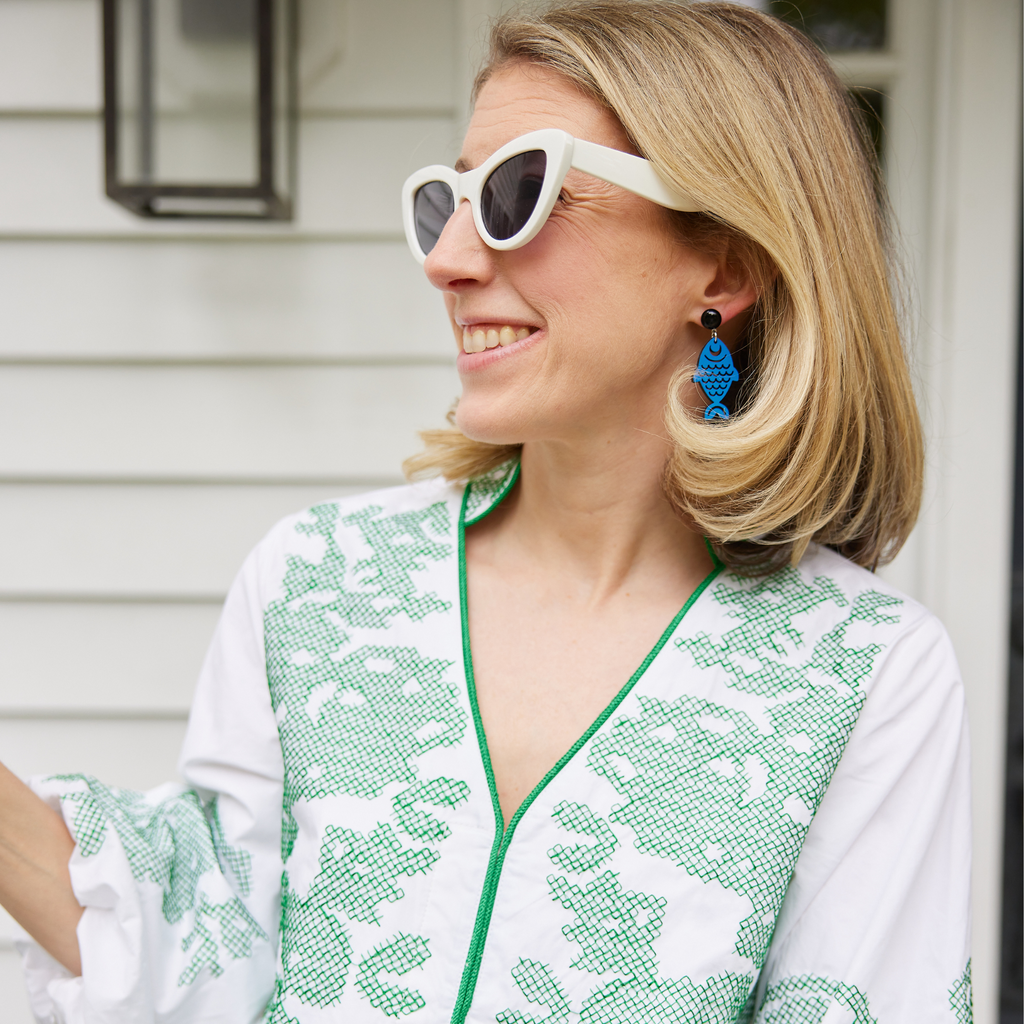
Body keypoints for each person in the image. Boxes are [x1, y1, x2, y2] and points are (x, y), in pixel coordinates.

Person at [0, 2, 972, 1022]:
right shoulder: (320, 580)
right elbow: (213, 952)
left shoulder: (865, 674)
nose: (447, 258)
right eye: (442, 203)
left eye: (519, 193)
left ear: (723, 264)